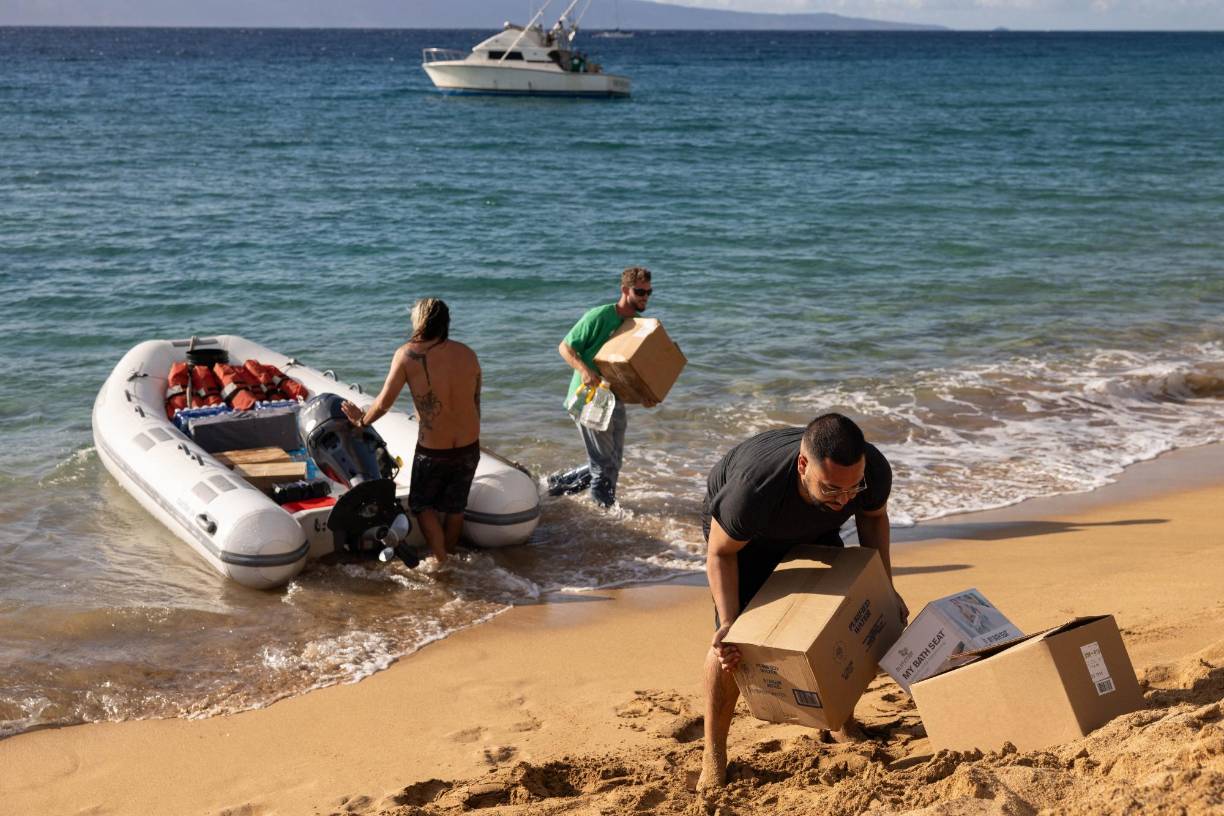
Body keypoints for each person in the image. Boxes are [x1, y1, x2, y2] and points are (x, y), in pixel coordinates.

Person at [697, 413, 909, 790]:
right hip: (743, 543)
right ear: (802, 465)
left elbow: (874, 519)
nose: (844, 499)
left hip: (814, 529)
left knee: (846, 617)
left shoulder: (870, 472)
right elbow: (719, 554)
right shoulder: (753, 492)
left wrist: (884, 589)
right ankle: (714, 754)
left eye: (851, 489)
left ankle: (841, 720)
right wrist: (729, 622)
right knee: (730, 648)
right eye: (831, 489)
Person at [342, 298, 481, 565]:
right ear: (446, 322)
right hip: (468, 446)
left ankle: (442, 562)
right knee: (456, 506)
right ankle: (449, 554)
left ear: (420, 321)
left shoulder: (407, 354)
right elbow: (475, 401)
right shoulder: (468, 353)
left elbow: (383, 403)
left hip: (434, 450)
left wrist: (361, 422)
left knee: (421, 504)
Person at [548, 267, 656, 507]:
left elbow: (629, 371)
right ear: (625, 290)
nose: (645, 297)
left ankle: (558, 485)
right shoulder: (599, 316)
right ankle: (606, 517)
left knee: (613, 462)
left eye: (649, 292)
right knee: (603, 465)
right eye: (640, 291)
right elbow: (564, 347)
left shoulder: (637, 326)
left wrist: (644, 396)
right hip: (588, 397)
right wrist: (584, 370)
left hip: (614, 400)